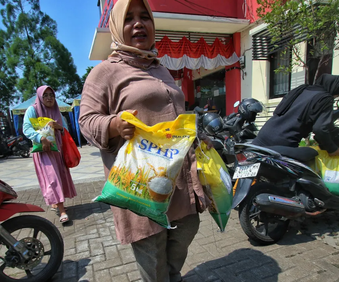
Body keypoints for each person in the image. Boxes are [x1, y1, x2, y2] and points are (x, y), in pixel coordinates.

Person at [78, 0, 211, 281]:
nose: (138, 23)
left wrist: (198, 140)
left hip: (178, 179)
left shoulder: (160, 68)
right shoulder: (104, 73)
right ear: (115, 27)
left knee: (186, 229)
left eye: (144, 17)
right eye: (129, 18)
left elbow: (176, 113)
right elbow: (86, 122)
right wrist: (113, 125)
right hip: (141, 184)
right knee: (152, 259)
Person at [252, 73, 339, 156]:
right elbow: (320, 129)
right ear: (335, 89)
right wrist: (332, 149)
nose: (336, 97)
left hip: (262, 136)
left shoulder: (302, 90)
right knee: (312, 156)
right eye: (337, 94)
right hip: (283, 143)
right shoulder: (324, 99)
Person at [23, 85, 77, 224]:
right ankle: (62, 210)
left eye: (51, 95)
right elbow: (26, 129)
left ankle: (56, 203)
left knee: (59, 177)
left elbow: (65, 129)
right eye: (45, 95)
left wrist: (58, 127)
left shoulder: (56, 111)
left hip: (57, 151)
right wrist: (41, 138)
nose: (49, 98)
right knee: (52, 178)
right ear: (40, 97)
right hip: (43, 152)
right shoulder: (32, 110)